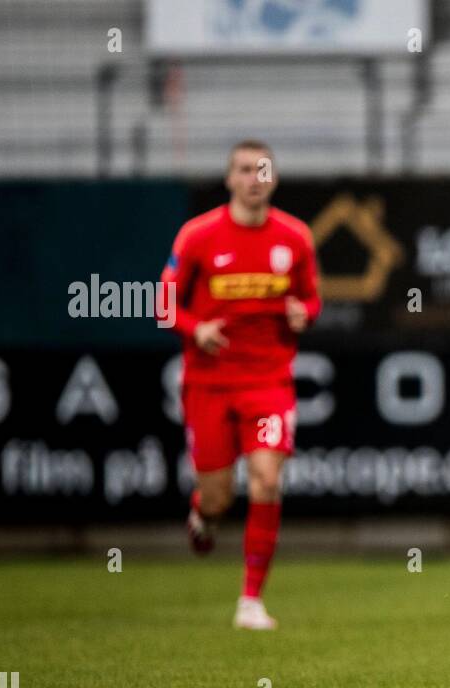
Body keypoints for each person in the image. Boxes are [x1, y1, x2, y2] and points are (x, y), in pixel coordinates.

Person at [158, 140, 321, 630]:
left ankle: (251, 601)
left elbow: (311, 301)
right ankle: (202, 516)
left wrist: (302, 314)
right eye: (245, 170)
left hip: (269, 382)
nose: (254, 178)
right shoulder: (198, 235)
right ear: (230, 178)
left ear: (273, 179)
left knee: (268, 480)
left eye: (262, 170)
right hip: (209, 383)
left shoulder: (294, 238)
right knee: (218, 497)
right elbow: (164, 304)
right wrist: (196, 328)